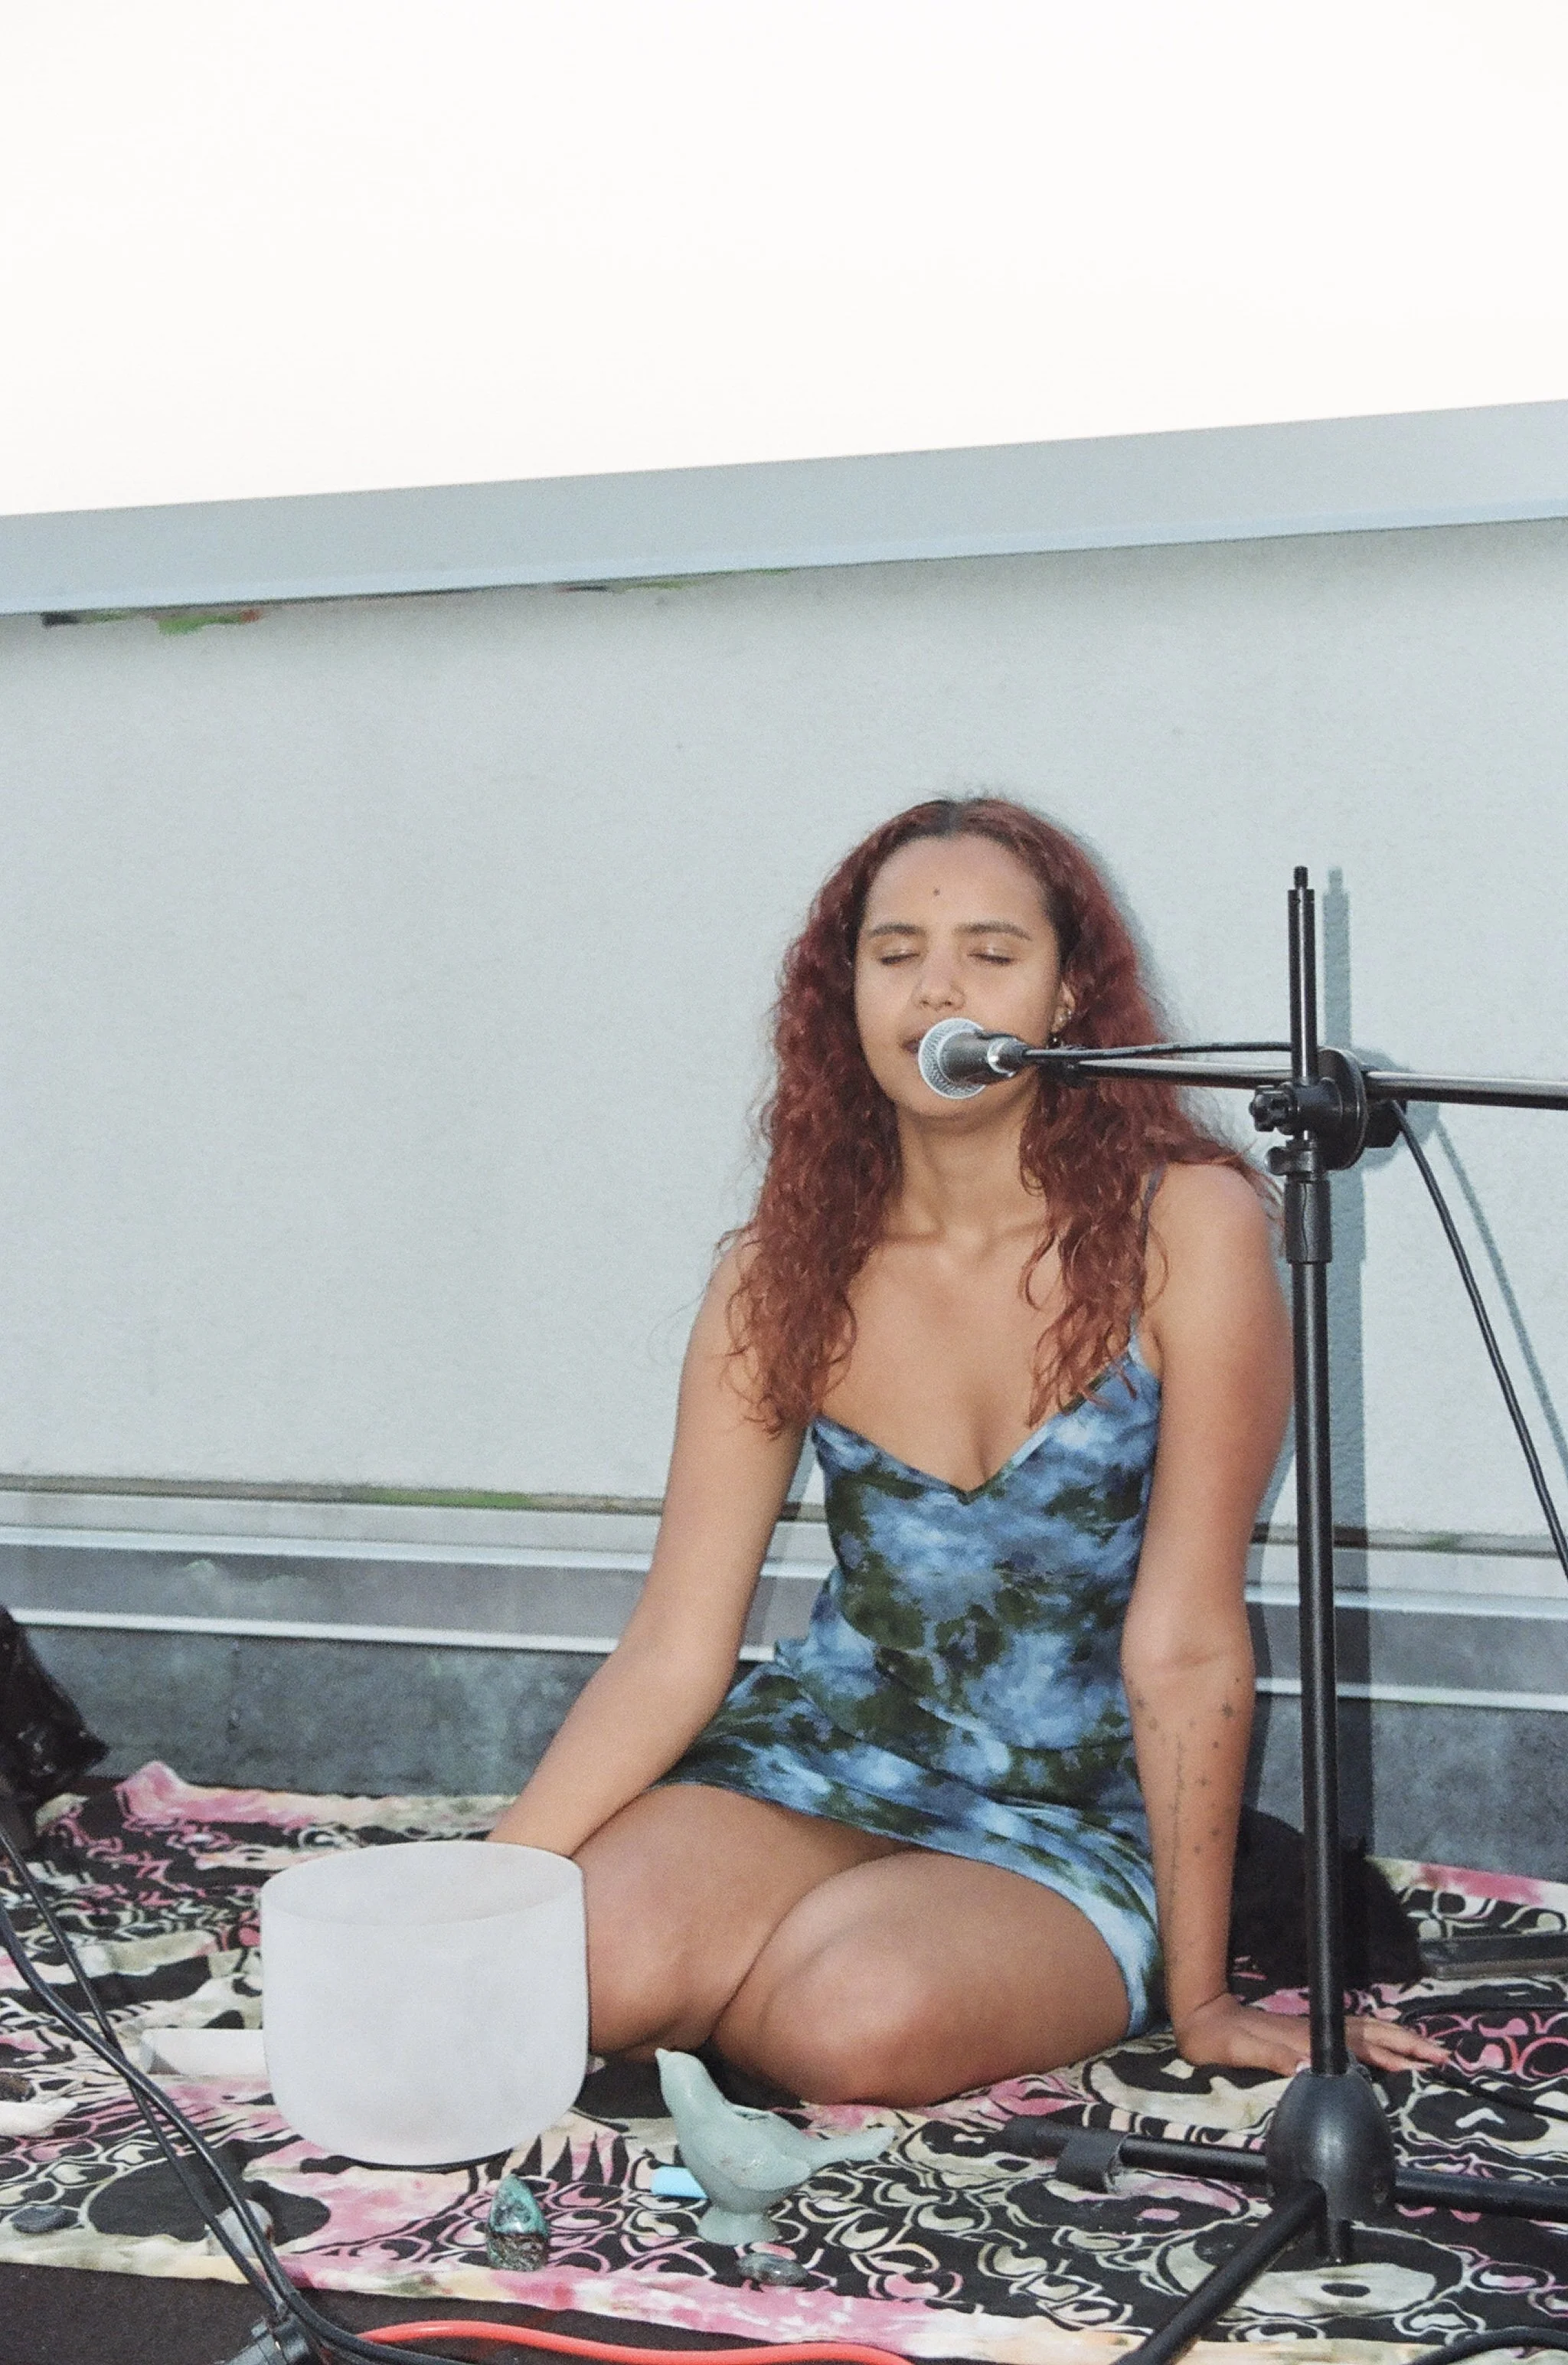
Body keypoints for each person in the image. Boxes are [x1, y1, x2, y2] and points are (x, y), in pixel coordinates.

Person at [488, 796, 1445, 2106]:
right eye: (895, 953)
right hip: (819, 1758)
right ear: (846, 995)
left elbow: (1187, 1641)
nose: (936, 983)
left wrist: (1204, 1996)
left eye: (990, 952)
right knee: (571, 1966)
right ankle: (772, 1954)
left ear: (1062, 1004)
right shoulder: (781, 1270)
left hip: (1077, 1816)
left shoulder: (1193, 1226)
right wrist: (474, 1896)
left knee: (851, 2024)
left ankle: (840, 1963)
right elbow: (674, 1647)